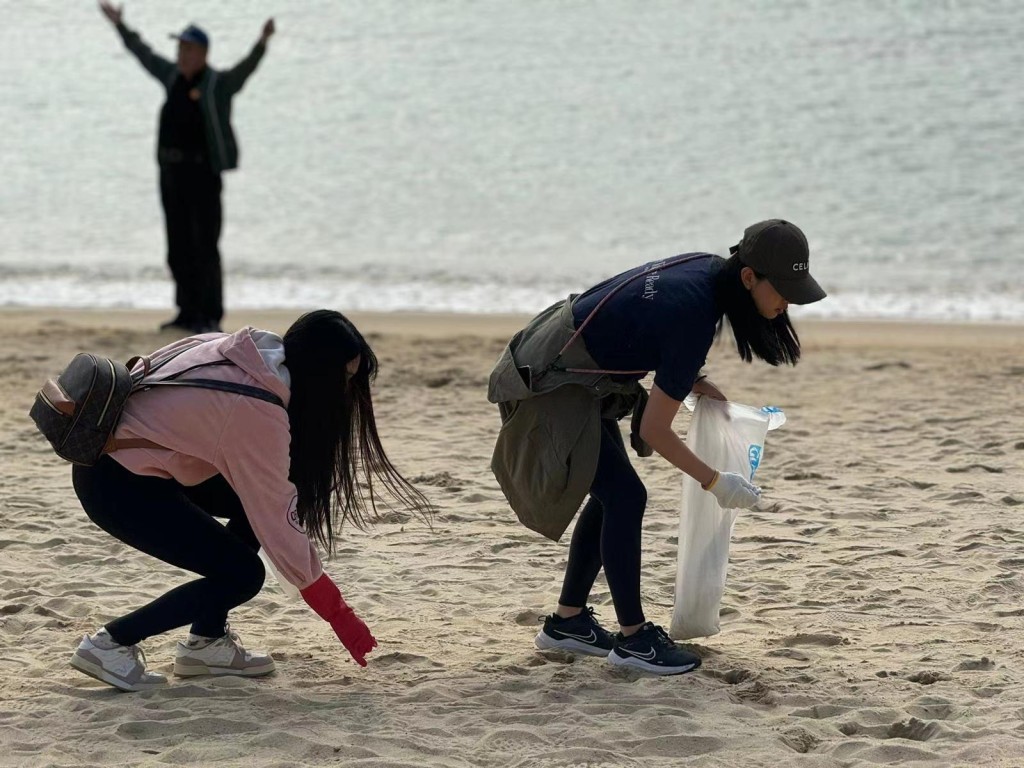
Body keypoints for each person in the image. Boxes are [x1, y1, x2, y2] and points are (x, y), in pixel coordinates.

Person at [488, 219, 827, 676]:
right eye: (784, 290)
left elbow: (648, 331)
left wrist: (693, 382)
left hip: (572, 362)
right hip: (550, 378)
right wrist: (715, 482)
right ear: (749, 278)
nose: (788, 302)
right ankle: (634, 641)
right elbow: (654, 430)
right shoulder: (693, 315)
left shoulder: (709, 273)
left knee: (614, 496)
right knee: (627, 496)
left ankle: (567, 622)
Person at [69, 310, 433, 691]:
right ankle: (110, 643)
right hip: (116, 485)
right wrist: (337, 612)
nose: (346, 392)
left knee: (249, 513)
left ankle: (206, 644)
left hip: (134, 465)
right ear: (319, 373)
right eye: (343, 378)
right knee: (242, 575)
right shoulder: (257, 409)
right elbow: (276, 516)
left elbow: (266, 502)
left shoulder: (252, 353)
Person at [98, 2, 276, 334]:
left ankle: (209, 316)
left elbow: (246, 70)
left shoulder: (217, 85)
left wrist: (262, 43)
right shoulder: (171, 76)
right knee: (177, 247)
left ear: (203, 53)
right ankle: (185, 311)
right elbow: (143, 53)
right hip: (171, 174)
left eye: (188, 49)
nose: (181, 54)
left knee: (205, 246)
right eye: (179, 48)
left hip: (204, 176)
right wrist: (120, 26)